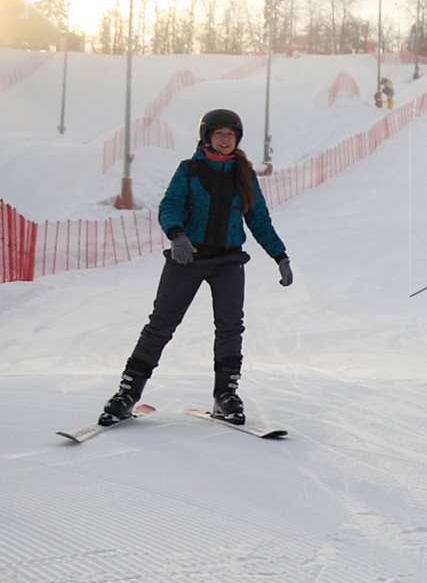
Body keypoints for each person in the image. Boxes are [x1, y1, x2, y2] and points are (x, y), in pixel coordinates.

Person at [98, 108, 293, 426]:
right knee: (160, 325)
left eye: (231, 134)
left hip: (228, 260)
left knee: (230, 327)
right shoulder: (189, 169)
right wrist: (177, 235)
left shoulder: (243, 172)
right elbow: (169, 205)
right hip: (187, 257)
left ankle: (225, 395)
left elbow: (258, 218)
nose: (226, 139)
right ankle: (127, 395)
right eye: (220, 134)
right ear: (207, 137)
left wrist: (280, 255)